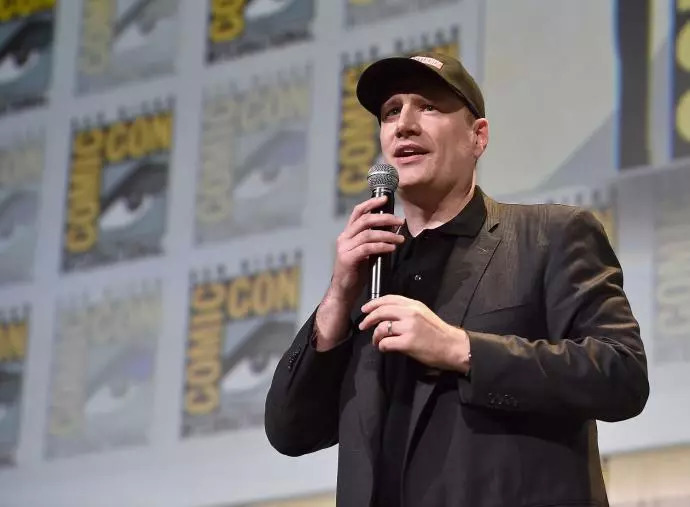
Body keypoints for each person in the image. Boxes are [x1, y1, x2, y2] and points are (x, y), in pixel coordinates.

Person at [264, 51, 649, 507]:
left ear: (477, 136)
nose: (404, 125)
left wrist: (461, 349)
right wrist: (336, 298)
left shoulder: (551, 235)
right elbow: (290, 431)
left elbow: (622, 376)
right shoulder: (369, 278)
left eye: (427, 106)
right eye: (391, 112)